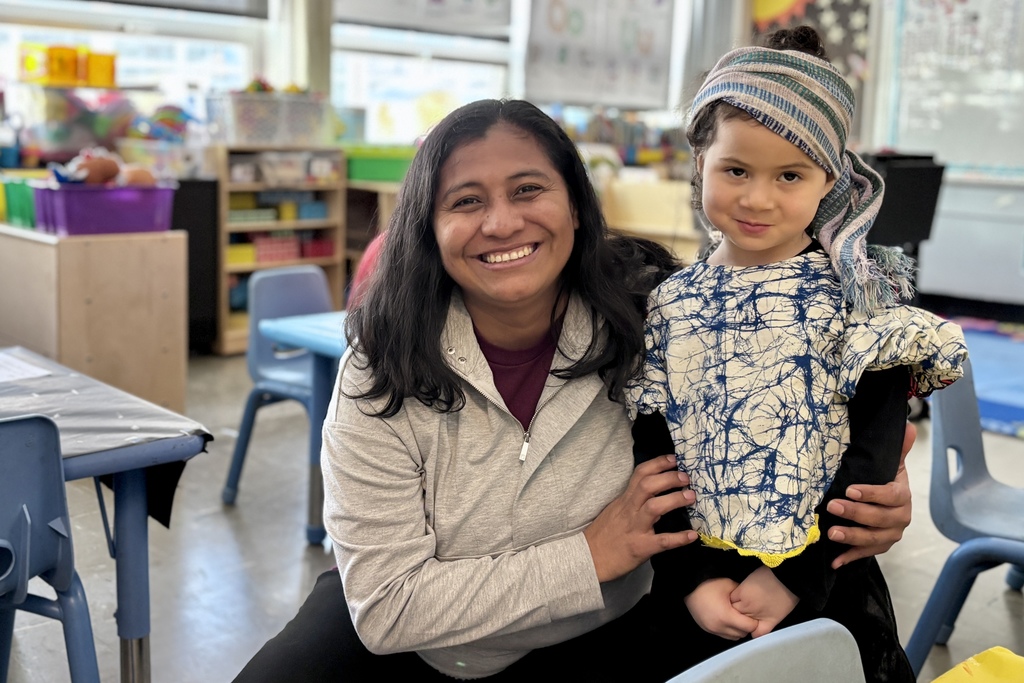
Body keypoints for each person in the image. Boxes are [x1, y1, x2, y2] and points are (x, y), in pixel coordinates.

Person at [232, 98, 918, 683]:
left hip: (606, 629)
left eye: (528, 189)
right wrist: (591, 553)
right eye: (465, 201)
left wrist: (870, 492)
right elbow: (387, 607)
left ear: (576, 205)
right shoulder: (380, 365)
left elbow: (810, 407)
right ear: (428, 228)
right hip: (419, 641)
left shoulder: (656, 316)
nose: (501, 223)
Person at [627, 27, 968, 681]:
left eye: (789, 174)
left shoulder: (859, 305)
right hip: (690, 593)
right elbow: (654, 448)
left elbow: (867, 465)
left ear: (831, 182)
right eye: (736, 170)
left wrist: (790, 581)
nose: (758, 198)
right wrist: (694, 578)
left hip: (824, 591)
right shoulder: (670, 305)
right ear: (700, 163)